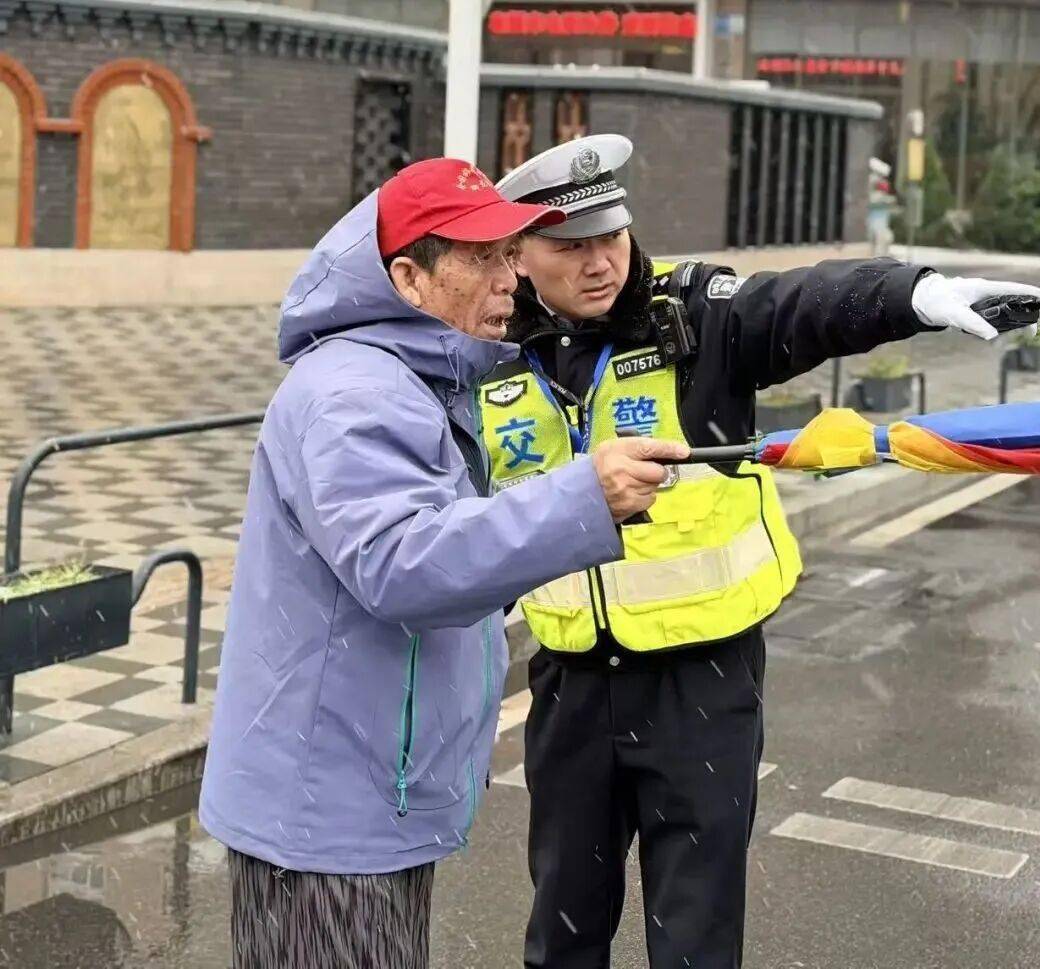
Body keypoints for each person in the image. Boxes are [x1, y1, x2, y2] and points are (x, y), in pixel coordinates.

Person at [488, 134, 1040, 969]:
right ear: (518, 254)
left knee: (696, 939)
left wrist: (920, 294)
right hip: (568, 686)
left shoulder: (694, 315)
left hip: (700, 684)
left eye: (610, 235)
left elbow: (804, 303)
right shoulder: (491, 347)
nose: (600, 261)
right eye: (570, 247)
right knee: (563, 932)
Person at [199, 157, 690, 969]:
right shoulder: (357, 394)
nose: (510, 280)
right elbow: (403, 562)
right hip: (327, 818)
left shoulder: (408, 376)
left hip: (352, 800)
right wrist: (583, 498)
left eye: (510, 254)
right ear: (408, 277)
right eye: (483, 258)